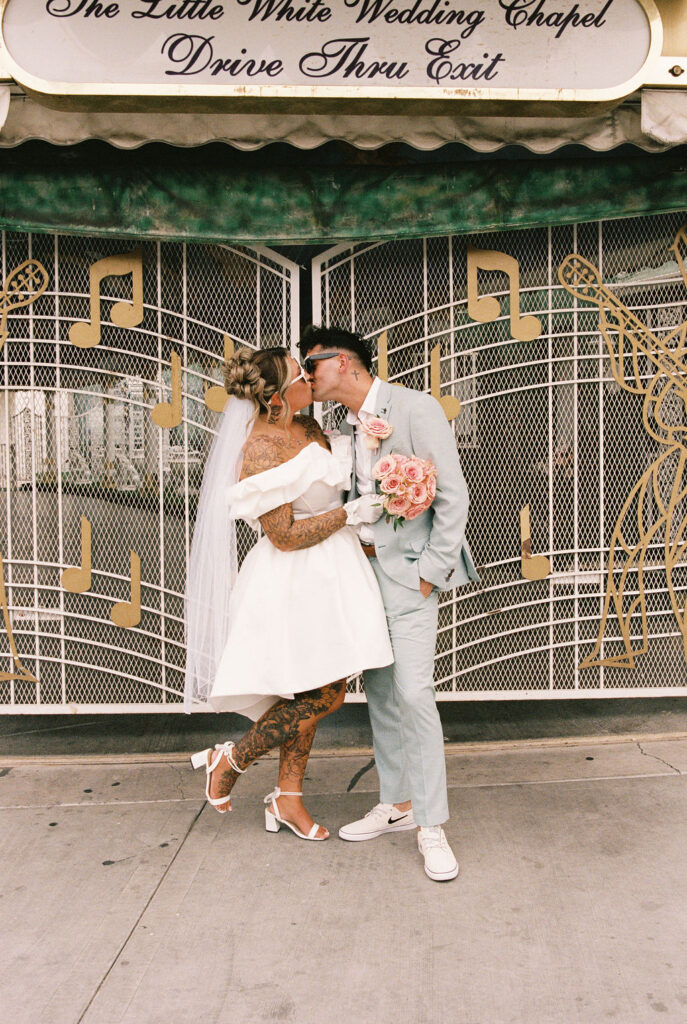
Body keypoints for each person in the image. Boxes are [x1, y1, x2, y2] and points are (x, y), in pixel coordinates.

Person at [185, 346, 392, 841]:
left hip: (332, 572)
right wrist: (352, 514)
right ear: (278, 397)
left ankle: (287, 799)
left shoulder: (312, 429)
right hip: (290, 579)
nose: (310, 378)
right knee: (328, 692)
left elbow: (333, 487)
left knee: (310, 685)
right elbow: (284, 534)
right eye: (302, 375)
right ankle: (230, 758)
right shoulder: (260, 449)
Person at [300, 324, 479, 879]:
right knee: (379, 689)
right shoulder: (341, 425)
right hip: (363, 575)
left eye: (313, 364)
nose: (308, 374)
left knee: (414, 693)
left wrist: (430, 570)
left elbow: (452, 494)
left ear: (346, 362)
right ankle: (397, 803)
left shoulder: (415, 408)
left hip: (409, 577)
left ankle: (431, 824)